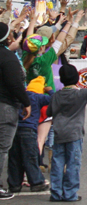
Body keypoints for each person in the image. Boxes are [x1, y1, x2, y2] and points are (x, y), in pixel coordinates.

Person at [48, 61, 87, 203]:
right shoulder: (80, 95)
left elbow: (50, 111)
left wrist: (50, 92)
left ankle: (56, 193)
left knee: (57, 163)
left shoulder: (56, 96)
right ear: (78, 79)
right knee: (73, 164)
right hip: (74, 134)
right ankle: (69, 194)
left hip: (59, 134)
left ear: (61, 80)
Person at [0, 22, 31, 200]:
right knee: (2, 147)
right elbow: (14, 84)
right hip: (5, 106)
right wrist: (26, 102)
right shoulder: (8, 57)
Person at [7, 76, 50, 194]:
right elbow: (55, 99)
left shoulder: (19, 96)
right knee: (30, 158)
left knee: (14, 159)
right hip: (29, 131)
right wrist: (49, 90)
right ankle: (37, 182)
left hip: (15, 130)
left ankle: (14, 184)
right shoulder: (38, 97)